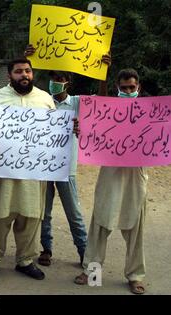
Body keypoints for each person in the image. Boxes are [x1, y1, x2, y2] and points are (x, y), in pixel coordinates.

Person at [24, 45, 112, 266]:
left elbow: (102, 102)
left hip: (66, 168)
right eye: (52, 77)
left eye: (60, 78)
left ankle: (84, 251)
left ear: (68, 83)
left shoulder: (77, 103)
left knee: (74, 213)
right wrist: (29, 60)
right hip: (43, 166)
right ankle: (46, 249)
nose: (55, 81)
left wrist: (103, 74)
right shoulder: (42, 100)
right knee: (43, 212)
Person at [0, 57, 54, 280]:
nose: (24, 75)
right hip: (3, 172)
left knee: (31, 216)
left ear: (33, 74)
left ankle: (25, 260)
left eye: (28, 71)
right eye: (19, 71)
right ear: (10, 75)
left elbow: (54, 135)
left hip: (34, 172)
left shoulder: (45, 99)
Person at [74, 69, 148, 295]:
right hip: (110, 172)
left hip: (136, 174)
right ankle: (92, 271)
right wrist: (82, 131)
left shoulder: (150, 111)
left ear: (138, 88)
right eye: (123, 88)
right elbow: (92, 129)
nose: (127, 91)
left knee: (136, 224)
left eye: (131, 88)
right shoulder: (107, 111)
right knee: (101, 222)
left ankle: (135, 276)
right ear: (117, 87)